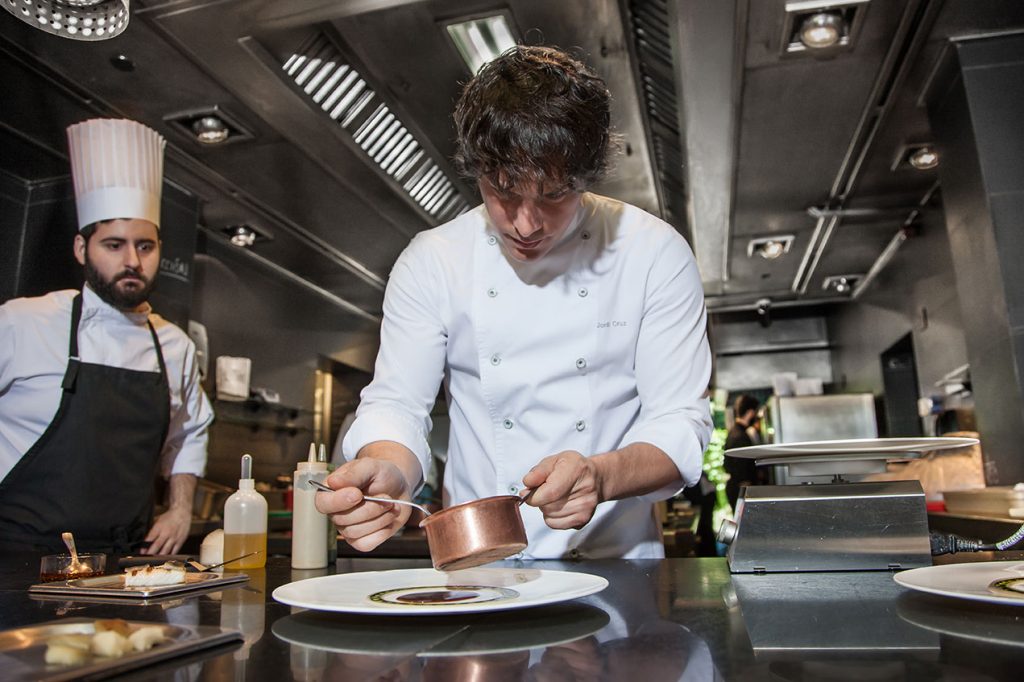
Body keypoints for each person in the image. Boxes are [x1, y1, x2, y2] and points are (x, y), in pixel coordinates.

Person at [316, 45, 712, 560]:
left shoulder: (653, 252)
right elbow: (398, 405)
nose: (526, 224)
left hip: (616, 565)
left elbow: (680, 420)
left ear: (586, 177)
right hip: (478, 560)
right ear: (476, 168)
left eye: (552, 194)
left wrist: (600, 475)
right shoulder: (433, 260)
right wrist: (389, 474)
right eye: (503, 191)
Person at [0, 118, 213, 555]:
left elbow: (190, 432)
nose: (132, 260)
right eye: (113, 245)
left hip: (123, 562)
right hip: (16, 555)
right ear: (83, 249)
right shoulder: (23, 322)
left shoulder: (175, 347)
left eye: (145, 246)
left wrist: (179, 509)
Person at [723, 394, 764, 511]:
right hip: (740, 491)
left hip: (736, 489)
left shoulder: (735, 432)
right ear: (751, 413)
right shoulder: (740, 436)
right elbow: (740, 471)